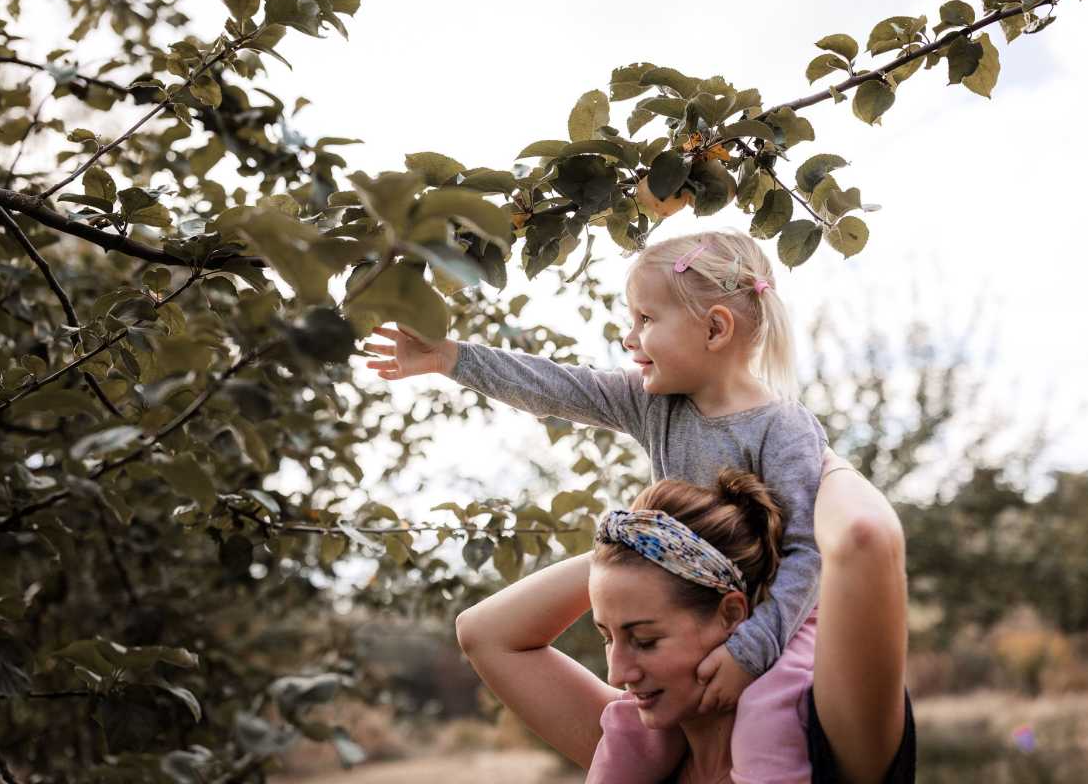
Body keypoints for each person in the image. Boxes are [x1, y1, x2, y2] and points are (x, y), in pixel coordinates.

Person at [367, 230, 824, 713]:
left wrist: (750, 652)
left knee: (764, 730)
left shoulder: (784, 428)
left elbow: (805, 552)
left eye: (645, 319)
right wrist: (450, 357)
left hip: (773, 631)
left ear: (714, 329)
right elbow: (556, 387)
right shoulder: (656, 405)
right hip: (681, 620)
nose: (629, 339)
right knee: (627, 739)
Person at [455, 456, 915, 783]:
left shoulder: (830, 740)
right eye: (606, 637)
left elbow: (865, 538)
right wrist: (638, 541)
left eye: (645, 639)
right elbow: (483, 632)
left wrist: (805, 449)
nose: (618, 673)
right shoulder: (639, 752)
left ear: (732, 613)